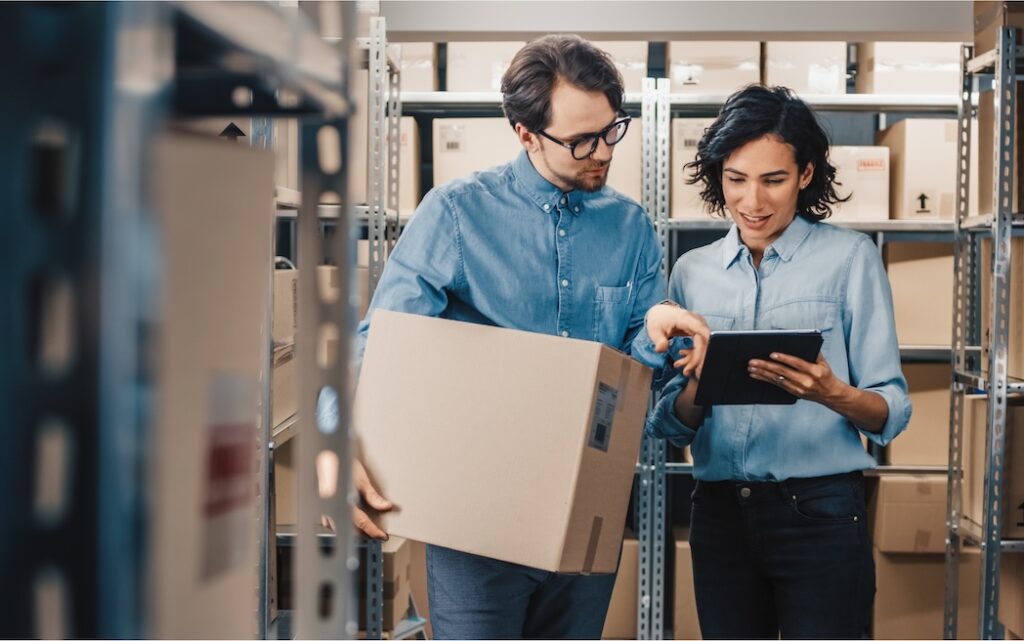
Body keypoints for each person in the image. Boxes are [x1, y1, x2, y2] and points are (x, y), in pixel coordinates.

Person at [347, 35, 708, 639]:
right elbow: (381, 343)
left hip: (585, 516)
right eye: (580, 141)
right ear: (525, 134)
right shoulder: (458, 214)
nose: (603, 153)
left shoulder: (631, 229)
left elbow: (637, 394)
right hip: (475, 524)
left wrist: (653, 341)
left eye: (611, 130)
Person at [646, 85, 912, 640]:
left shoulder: (849, 259)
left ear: (806, 174)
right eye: (736, 179)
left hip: (820, 512)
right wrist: (697, 381)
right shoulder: (692, 273)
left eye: (773, 180)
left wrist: (829, 392)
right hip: (719, 515)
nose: (752, 202)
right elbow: (671, 425)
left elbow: (891, 411)